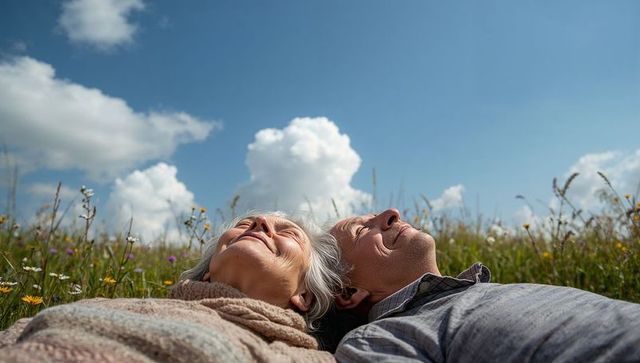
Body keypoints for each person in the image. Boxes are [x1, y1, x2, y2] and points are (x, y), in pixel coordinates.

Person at [0, 211, 347, 363]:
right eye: (245, 223)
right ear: (208, 273)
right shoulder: (108, 302)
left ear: (305, 296)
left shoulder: (302, 358)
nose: (260, 223)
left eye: (287, 232)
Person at [329, 208, 640, 363]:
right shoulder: (375, 340)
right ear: (348, 292)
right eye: (361, 230)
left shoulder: (482, 292)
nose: (391, 213)